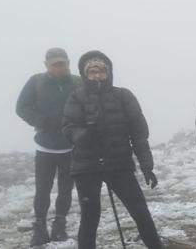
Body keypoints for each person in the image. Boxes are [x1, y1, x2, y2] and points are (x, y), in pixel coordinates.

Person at [62, 51, 163, 249]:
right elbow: (68, 128)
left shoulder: (123, 96)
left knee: (140, 212)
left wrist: (146, 165)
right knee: (90, 217)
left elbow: (139, 134)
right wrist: (84, 135)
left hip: (119, 164)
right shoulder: (76, 97)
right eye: (92, 71)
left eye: (101, 71)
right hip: (86, 166)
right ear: (85, 74)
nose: (97, 75)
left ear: (108, 72)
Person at [16, 47, 81, 246]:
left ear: (68, 63)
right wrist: (41, 121)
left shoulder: (78, 82)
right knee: (42, 190)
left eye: (62, 63)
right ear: (47, 65)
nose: (59, 67)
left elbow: (89, 105)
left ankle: (59, 226)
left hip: (71, 147)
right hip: (45, 147)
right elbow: (21, 107)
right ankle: (40, 228)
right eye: (55, 64)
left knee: (66, 190)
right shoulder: (36, 82)